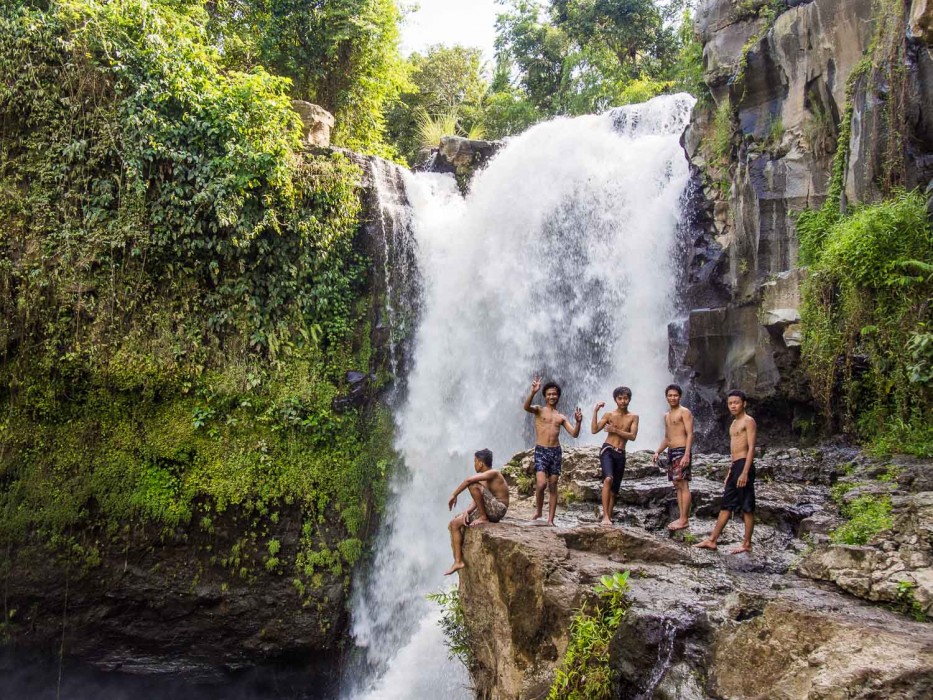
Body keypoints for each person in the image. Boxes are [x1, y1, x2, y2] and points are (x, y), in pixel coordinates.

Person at [695, 390, 757, 554]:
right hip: (736, 465)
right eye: (730, 403)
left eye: (736, 402)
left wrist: (744, 472)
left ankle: (747, 544)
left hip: (744, 465)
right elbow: (733, 449)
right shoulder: (733, 424)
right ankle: (712, 540)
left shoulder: (748, 421)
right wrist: (731, 470)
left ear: (744, 403)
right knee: (726, 504)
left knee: (747, 506)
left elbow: (751, 448)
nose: (733, 406)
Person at [524, 375, 582, 526]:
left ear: (558, 396)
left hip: (555, 452)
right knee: (542, 484)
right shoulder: (538, 410)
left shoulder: (560, 417)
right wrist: (533, 392)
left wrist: (578, 422)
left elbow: (574, 434)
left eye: (554, 394)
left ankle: (550, 520)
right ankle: (538, 511)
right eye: (549, 394)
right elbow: (526, 407)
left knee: (553, 485)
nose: (552, 396)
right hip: (541, 451)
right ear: (544, 396)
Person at [444, 448, 510, 575]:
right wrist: (466, 512)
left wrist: (454, 494)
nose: (474, 464)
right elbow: (478, 499)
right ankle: (458, 561)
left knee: (472, 485)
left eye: (475, 461)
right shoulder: (484, 479)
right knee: (455, 524)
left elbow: (470, 482)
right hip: (491, 508)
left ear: (481, 463)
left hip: (498, 509)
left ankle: (484, 517)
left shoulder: (494, 473)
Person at [592, 387, 639, 526]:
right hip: (607, 449)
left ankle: (609, 518)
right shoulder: (609, 415)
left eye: (625, 398)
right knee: (608, 479)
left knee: (614, 491)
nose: (623, 401)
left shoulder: (633, 417)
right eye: (620, 398)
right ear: (615, 400)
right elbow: (594, 430)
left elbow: (633, 436)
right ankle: (605, 516)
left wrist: (615, 430)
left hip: (621, 453)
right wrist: (595, 411)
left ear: (629, 399)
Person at [652, 384, 695, 531]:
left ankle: (684, 519)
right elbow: (667, 437)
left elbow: (690, 434)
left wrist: (687, 454)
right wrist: (658, 451)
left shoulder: (685, 412)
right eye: (670, 395)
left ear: (680, 396)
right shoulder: (667, 415)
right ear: (666, 397)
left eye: (675, 395)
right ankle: (681, 518)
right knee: (677, 485)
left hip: (682, 450)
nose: (672, 398)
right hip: (671, 451)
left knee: (683, 484)